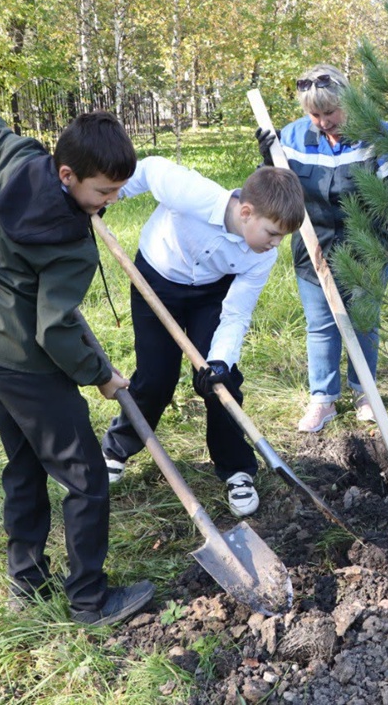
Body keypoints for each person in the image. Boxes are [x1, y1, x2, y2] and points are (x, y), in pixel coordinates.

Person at [0, 106, 154, 626]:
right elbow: (55, 330)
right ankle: (89, 600)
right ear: (66, 174)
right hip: (28, 368)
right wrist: (101, 376)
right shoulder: (68, 242)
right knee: (86, 478)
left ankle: (27, 582)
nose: (110, 203)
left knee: (23, 466)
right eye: (104, 192)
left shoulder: (17, 157)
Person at [100, 158, 305, 517]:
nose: (276, 244)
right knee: (155, 377)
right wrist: (105, 201)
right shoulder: (192, 193)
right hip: (156, 280)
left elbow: (236, 313)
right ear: (246, 212)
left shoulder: (261, 257)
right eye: (273, 233)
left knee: (221, 384)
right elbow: (148, 169)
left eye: (282, 237)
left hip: (210, 294)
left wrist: (220, 360)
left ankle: (237, 470)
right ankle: (116, 449)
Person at [255, 64, 388, 433]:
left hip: (369, 246)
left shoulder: (377, 135)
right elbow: (276, 188)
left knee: (363, 322)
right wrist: (267, 161)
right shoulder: (291, 136)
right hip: (313, 245)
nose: (322, 121)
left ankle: (365, 392)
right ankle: (323, 399)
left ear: (347, 103)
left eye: (330, 112)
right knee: (320, 324)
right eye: (314, 114)